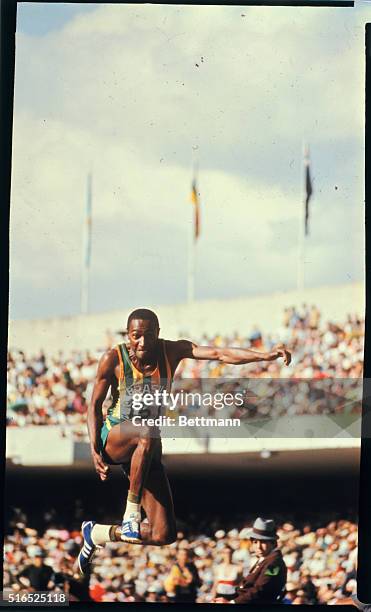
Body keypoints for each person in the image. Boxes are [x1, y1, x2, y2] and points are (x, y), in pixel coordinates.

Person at [77, 309, 291, 574]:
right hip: (116, 437)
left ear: (158, 334)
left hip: (147, 448)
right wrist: (94, 448)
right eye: (136, 336)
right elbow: (94, 405)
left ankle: (97, 533)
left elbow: (218, 354)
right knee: (146, 430)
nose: (142, 343)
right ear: (128, 335)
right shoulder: (113, 358)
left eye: (149, 336)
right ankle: (131, 513)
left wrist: (264, 356)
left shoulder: (171, 351)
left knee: (163, 533)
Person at [214, 518, 287, 604]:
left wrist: (232, 602)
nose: (258, 547)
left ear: (272, 543)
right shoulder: (265, 558)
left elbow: (260, 589)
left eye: (263, 542)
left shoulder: (274, 563)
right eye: (255, 542)